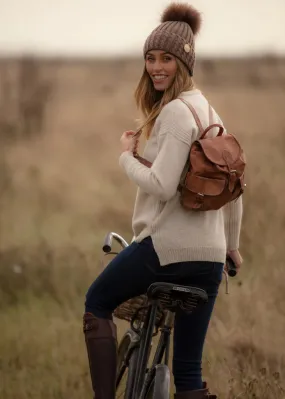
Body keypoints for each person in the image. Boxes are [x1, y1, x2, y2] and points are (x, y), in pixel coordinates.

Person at [83, 2, 243, 399]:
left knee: (96, 301)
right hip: (208, 261)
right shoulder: (210, 112)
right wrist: (232, 249)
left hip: (167, 249)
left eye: (167, 59)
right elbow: (234, 188)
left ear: (184, 63)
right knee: (189, 372)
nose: (156, 66)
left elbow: (162, 184)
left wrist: (125, 156)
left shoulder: (174, 113)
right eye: (151, 58)